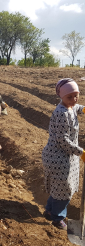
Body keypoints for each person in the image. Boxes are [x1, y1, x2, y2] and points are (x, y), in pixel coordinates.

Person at [42, 78, 85, 230]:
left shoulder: (70, 106)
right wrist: (81, 152)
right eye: (70, 96)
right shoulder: (61, 113)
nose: (74, 99)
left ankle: (48, 210)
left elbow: (76, 107)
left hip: (65, 156)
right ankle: (57, 218)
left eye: (76, 95)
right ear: (61, 96)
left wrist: (83, 108)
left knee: (59, 187)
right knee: (64, 189)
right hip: (57, 157)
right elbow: (63, 140)